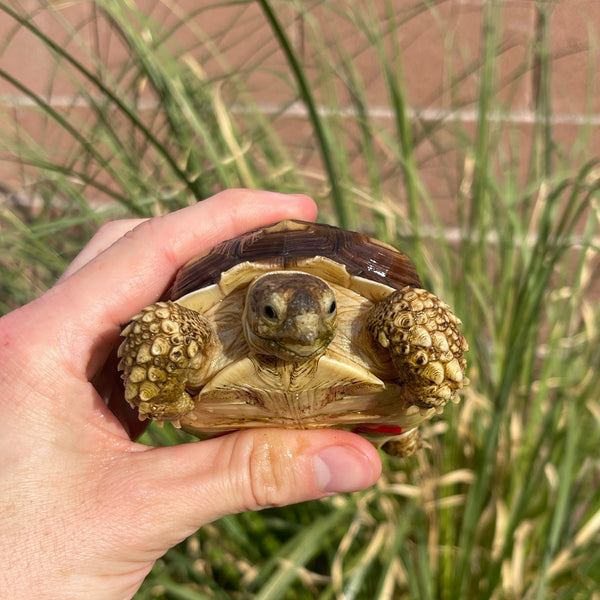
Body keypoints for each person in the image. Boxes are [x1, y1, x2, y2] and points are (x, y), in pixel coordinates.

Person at [0, 189, 382, 599]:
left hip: (354, 403)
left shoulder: (365, 315)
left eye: (326, 313)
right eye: (272, 314)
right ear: (253, 309)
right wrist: (162, 396)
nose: (306, 332)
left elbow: (415, 314)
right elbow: (162, 328)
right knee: (162, 327)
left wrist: (424, 389)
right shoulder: (203, 326)